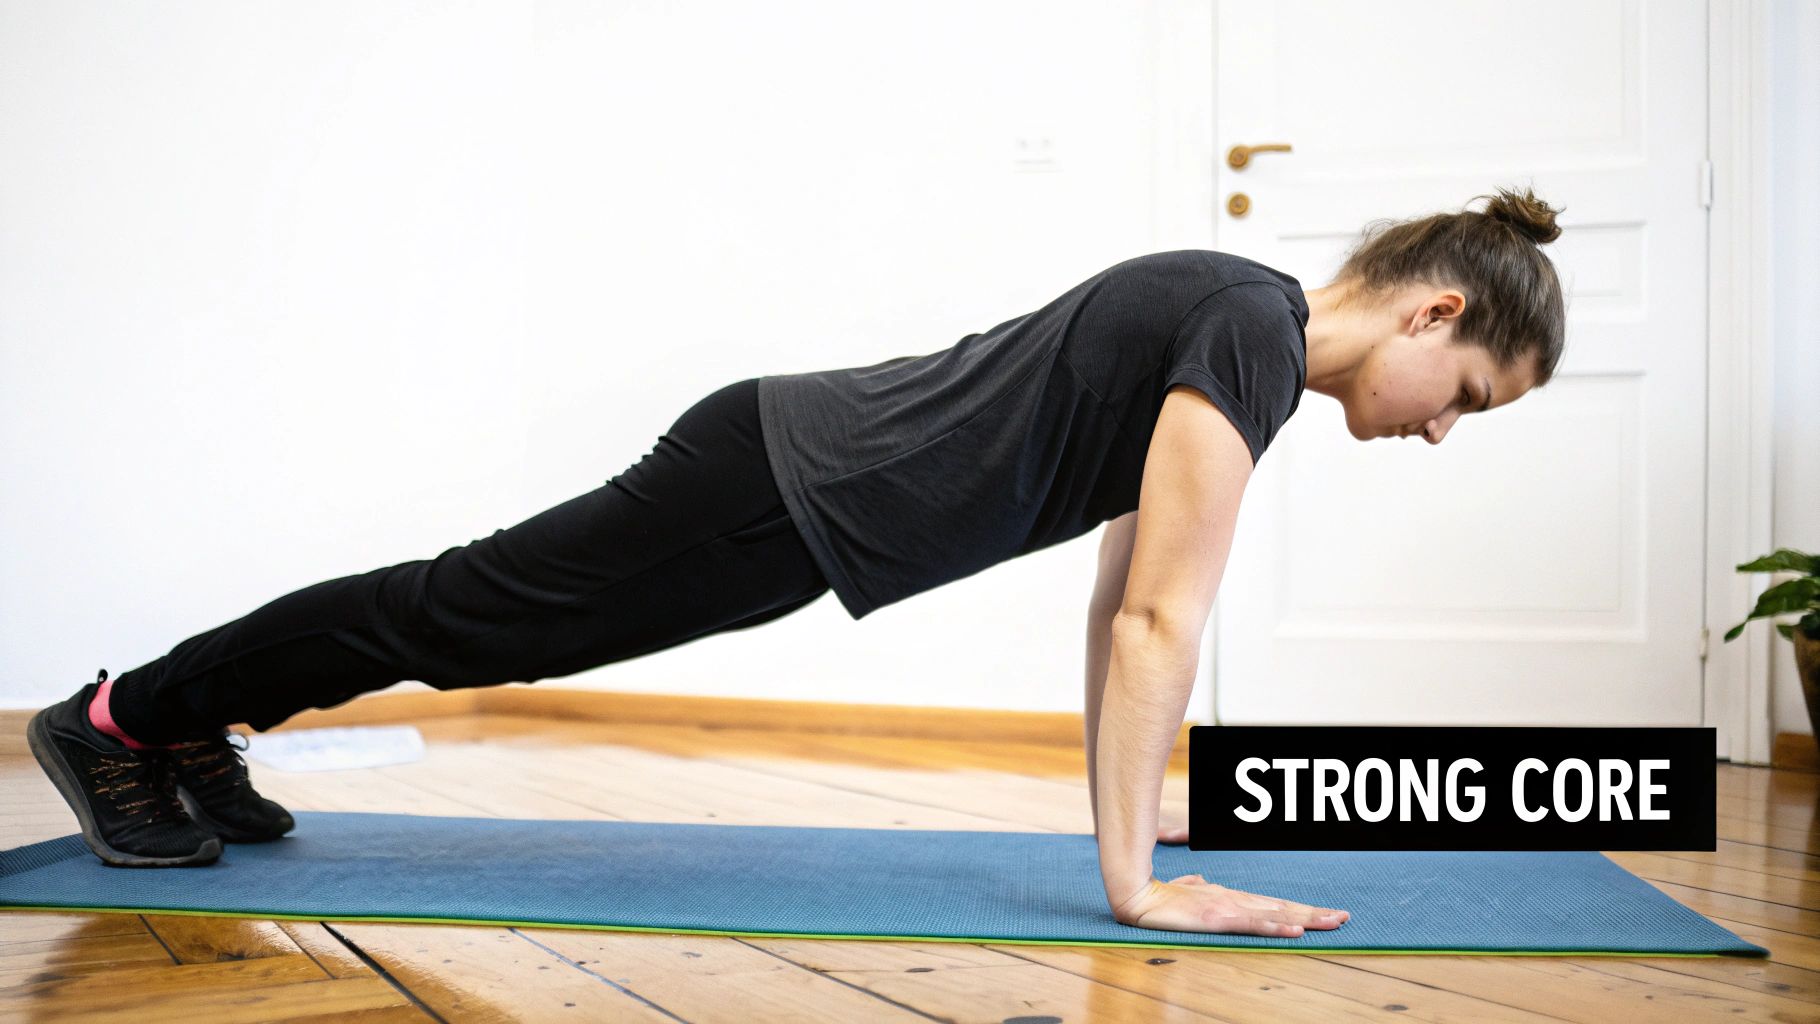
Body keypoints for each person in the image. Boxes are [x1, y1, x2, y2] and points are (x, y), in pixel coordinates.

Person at [28, 185, 1564, 939]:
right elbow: (1163, 613)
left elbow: (1122, 603)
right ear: (1431, 316)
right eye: (1472, 403)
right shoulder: (1245, 333)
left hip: (790, 489)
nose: (1443, 433)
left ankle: (180, 724)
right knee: (466, 616)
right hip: (777, 482)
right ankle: (123, 721)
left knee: (472, 624)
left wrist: (1135, 847)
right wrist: (1137, 887)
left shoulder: (1239, 335)